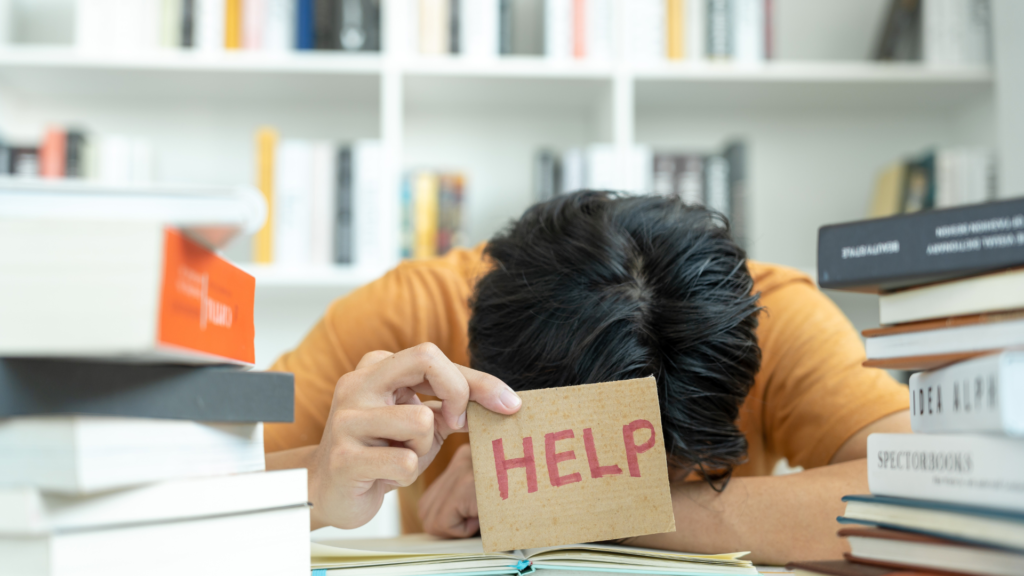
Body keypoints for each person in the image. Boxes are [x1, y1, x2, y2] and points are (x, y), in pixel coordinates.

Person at [265, 191, 910, 564]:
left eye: (669, 472)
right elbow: (180, 485)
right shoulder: (399, 316)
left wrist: (556, 500)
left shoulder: (781, 315)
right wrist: (317, 485)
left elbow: (931, 493)